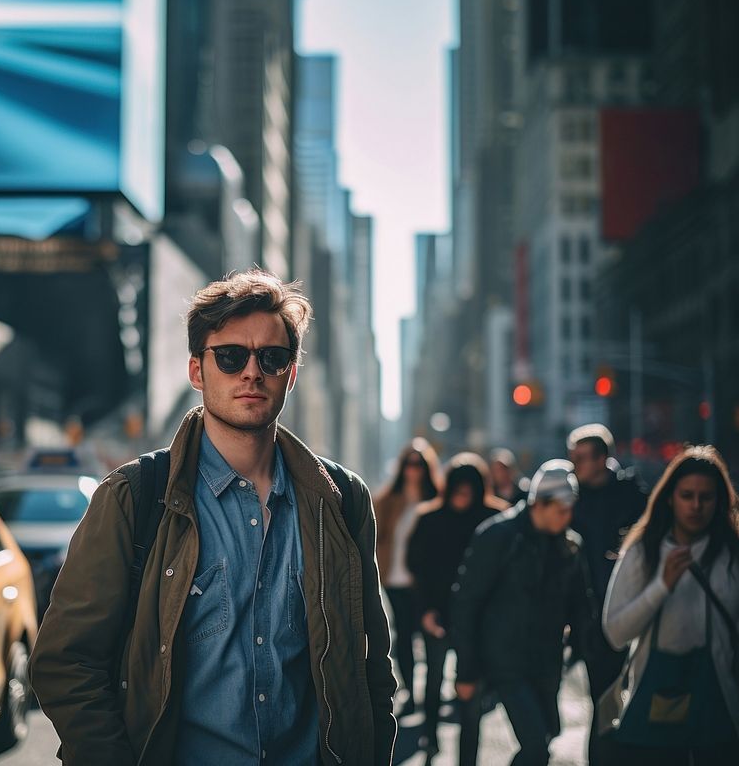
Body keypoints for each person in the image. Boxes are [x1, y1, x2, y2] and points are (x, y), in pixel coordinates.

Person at [30, 269, 397, 766]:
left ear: (290, 373)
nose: (251, 372)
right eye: (229, 357)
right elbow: (65, 662)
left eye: (271, 357)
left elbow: (371, 668)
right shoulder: (133, 498)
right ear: (197, 371)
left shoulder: (343, 500)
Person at [451, 460, 595, 766]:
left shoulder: (569, 545)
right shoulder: (498, 536)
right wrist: (466, 670)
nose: (568, 516)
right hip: (504, 661)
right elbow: (466, 602)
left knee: (546, 737)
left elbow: (580, 604)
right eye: (562, 508)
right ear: (539, 504)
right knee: (535, 747)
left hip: (547, 661)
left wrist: (586, 646)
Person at [602, 445, 739, 764]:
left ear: (719, 502)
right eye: (686, 495)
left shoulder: (730, 555)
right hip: (656, 704)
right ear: (669, 498)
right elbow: (615, 633)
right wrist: (661, 586)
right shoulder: (643, 552)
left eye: (706, 497)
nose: (696, 505)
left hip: (721, 708)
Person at [406, 452, 507, 764]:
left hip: (479, 622)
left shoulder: (495, 520)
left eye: (469, 489)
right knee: (433, 682)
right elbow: (416, 567)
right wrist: (425, 611)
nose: (463, 495)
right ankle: (431, 739)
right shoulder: (430, 518)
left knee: (470, 694)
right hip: (437, 615)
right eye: (458, 488)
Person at [567, 423, 648, 765]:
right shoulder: (571, 501)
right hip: (590, 621)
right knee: (604, 701)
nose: (575, 466)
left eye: (582, 458)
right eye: (573, 459)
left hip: (638, 613)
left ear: (603, 459)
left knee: (638, 698)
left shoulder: (634, 497)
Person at [373, 439, 441, 717]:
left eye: (419, 464)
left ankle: (429, 695)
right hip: (395, 579)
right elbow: (375, 535)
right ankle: (411, 692)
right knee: (403, 635)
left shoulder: (436, 498)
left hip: (424, 582)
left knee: (426, 636)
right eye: (410, 464)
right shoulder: (388, 500)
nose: (414, 469)